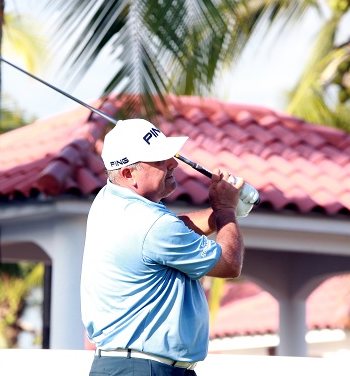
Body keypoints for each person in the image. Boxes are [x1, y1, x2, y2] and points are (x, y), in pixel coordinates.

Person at [81, 118, 251, 376]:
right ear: (129, 173)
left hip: (130, 364)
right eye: (159, 159)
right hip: (143, 367)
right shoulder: (153, 225)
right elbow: (229, 263)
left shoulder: (109, 199)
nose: (173, 163)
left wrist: (220, 213)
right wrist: (226, 210)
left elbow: (172, 229)